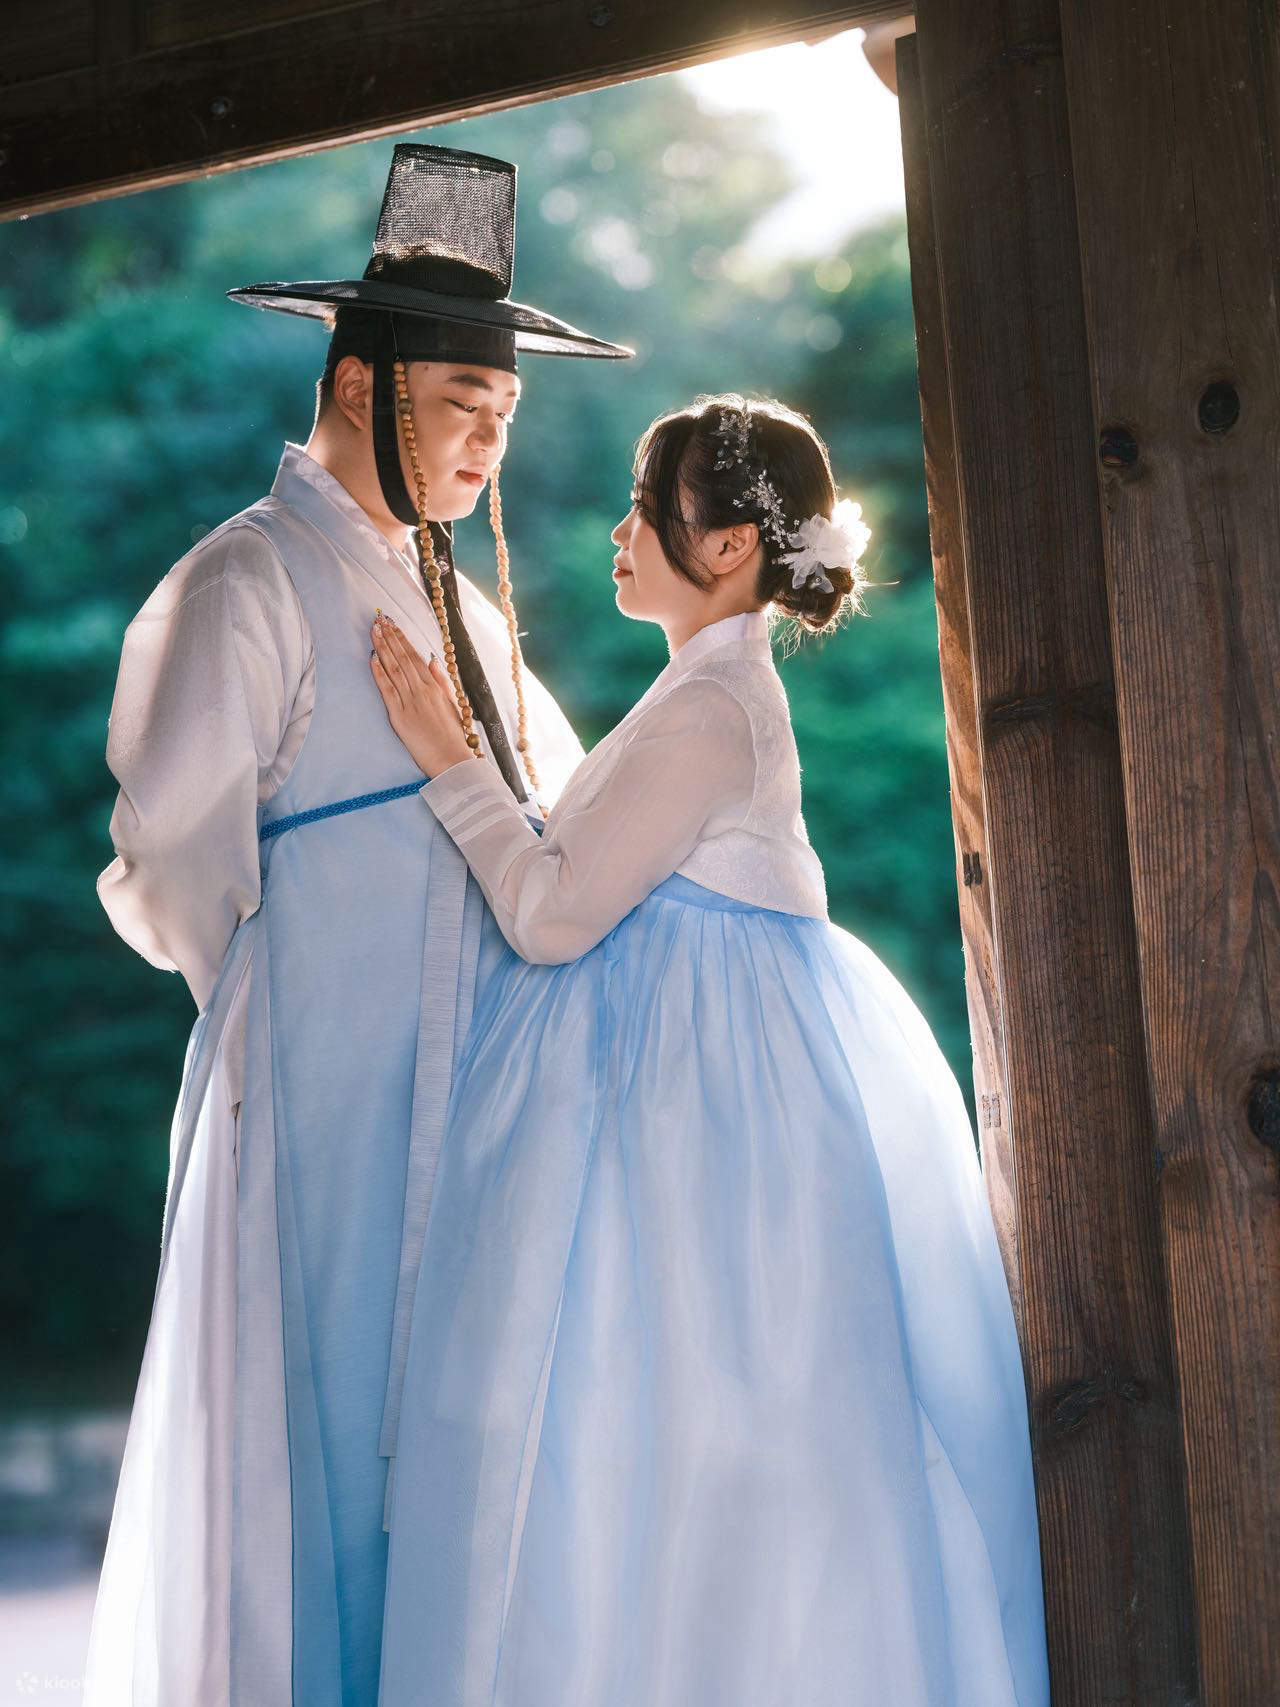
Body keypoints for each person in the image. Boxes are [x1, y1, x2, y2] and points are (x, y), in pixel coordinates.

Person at [366, 392, 1052, 1707]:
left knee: (669, 1454)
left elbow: (554, 914)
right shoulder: (697, 694)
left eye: (648, 508)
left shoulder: (709, 710)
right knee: (681, 1462)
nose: (619, 534)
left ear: (730, 545)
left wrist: (449, 760)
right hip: (702, 1117)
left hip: (700, 1146)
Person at [83, 143, 631, 1707]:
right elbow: (170, 856)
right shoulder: (246, 579)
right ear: (360, 380)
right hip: (321, 1070)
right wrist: (288, 1005)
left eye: (504, 420)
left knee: (455, 1435)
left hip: (473, 1082)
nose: (484, 450)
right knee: (320, 1436)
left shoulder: (448, 591)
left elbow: (559, 801)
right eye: (464, 408)